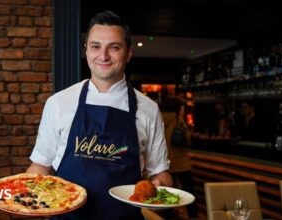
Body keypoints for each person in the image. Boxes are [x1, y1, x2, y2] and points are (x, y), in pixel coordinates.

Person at [26, 10, 172, 220]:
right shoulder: (58, 102)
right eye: (96, 46)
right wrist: (27, 194)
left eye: (114, 47)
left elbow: (160, 173)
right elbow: (40, 165)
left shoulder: (148, 108)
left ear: (129, 52)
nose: (103, 56)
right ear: (86, 50)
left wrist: (159, 188)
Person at [161, 96, 198, 219]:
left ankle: (169, 215)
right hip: (181, 161)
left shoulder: (158, 118)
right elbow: (186, 139)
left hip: (165, 161)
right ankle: (193, 216)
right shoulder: (177, 119)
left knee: (168, 191)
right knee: (189, 190)